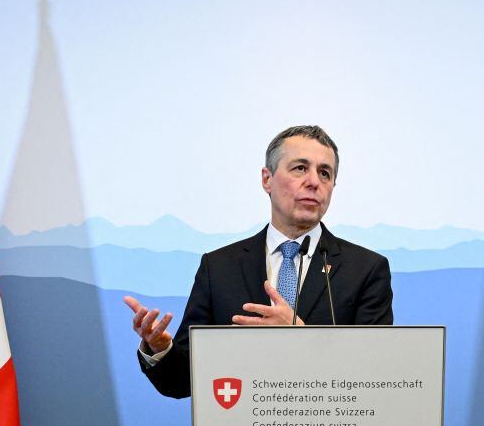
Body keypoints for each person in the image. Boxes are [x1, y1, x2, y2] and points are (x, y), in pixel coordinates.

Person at [124, 125, 393, 399]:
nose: (314, 181)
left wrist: (300, 334)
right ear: (267, 179)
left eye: (325, 173)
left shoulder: (366, 270)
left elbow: (376, 378)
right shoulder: (218, 268)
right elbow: (181, 382)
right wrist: (159, 349)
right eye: (300, 168)